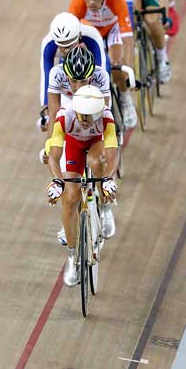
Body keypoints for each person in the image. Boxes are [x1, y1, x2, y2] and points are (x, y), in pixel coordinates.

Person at [46, 85, 119, 286]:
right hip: (74, 146)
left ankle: (104, 207)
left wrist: (108, 178)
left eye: (89, 117)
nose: (85, 121)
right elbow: (54, 157)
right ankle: (72, 256)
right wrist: (57, 181)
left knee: (98, 163)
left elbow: (113, 156)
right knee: (70, 200)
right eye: (82, 115)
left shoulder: (106, 118)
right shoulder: (64, 117)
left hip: (96, 143)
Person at [68, 0, 137, 129]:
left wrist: (128, 71)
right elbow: (71, 40)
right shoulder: (78, 1)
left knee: (116, 65)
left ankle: (125, 99)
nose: (91, 1)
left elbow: (127, 39)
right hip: (90, 32)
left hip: (112, 30)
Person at [39, 12, 107, 129]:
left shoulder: (92, 36)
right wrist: (46, 107)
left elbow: (100, 71)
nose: (66, 50)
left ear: (79, 35)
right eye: (61, 45)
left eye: (70, 44)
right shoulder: (48, 44)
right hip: (68, 65)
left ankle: (123, 103)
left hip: (91, 62)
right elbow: (46, 75)